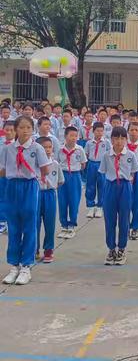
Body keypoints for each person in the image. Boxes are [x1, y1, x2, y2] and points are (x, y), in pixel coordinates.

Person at [0, 116, 51, 285]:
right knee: (13, 226)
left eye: (28, 127)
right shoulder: (7, 149)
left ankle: (26, 267)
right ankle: (14, 265)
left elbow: (45, 168)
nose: (25, 131)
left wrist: (37, 180)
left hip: (29, 187)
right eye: (21, 127)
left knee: (29, 226)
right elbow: (2, 170)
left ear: (32, 129)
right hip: (12, 186)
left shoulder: (37, 148)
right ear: (15, 129)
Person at [99, 126, 138, 266]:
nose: (119, 141)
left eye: (122, 138)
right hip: (110, 187)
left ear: (126, 140)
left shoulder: (130, 155)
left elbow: (134, 172)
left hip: (125, 187)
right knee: (109, 219)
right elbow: (103, 172)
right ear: (111, 139)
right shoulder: (106, 155)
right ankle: (111, 249)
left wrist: (127, 185)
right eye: (116, 138)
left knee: (124, 219)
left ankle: (121, 248)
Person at [36, 137, 64, 263]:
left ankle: (48, 250)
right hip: (35, 194)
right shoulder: (34, 164)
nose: (47, 150)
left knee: (49, 223)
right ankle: (34, 249)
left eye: (49, 147)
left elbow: (60, 181)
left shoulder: (55, 164)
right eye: (44, 147)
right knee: (34, 223)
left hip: (49, 195)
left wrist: (51, 188)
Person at [57, 126, 87, 238]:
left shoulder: (80, 149)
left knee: (74, 201)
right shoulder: (60, 150)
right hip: (63, 175)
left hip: (74, 176)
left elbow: (83, 164)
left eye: (75, 136)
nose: (73, 138)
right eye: (71, 135)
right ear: (65, 136)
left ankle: (72, 225)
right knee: (62, 201)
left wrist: (76, 170)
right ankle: (64, 225)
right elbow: (57, 163)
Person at [0, 121, 15, 235]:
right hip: (1, 175)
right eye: (7, 130)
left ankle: (12, 222)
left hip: (13, 176)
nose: (9, 132)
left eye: (11, 130)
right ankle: (2, 221)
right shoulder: (1, 143)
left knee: (12, 198)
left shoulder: (18, 145)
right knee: (2, 198)